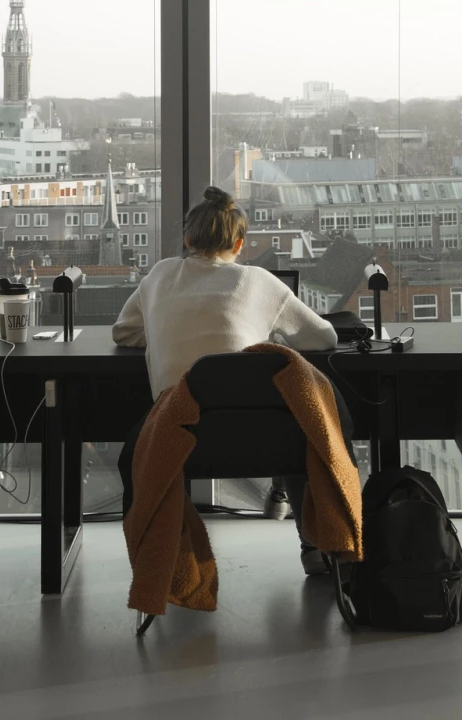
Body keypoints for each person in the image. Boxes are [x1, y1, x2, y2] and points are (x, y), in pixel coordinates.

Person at [112, 186, 341, 575]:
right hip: (262, 442)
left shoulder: (160, 274)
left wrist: (165, 332)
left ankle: (173, 556)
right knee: (300, 425)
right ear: (239, 244)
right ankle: (315, 548)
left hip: (178, 439)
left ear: (187, 240)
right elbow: (324, 338)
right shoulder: (259, 281)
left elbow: (123, 332)